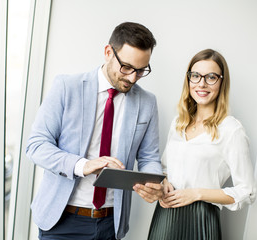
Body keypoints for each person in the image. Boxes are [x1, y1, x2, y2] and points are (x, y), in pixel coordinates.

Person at [26, 22, 163, 240]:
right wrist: (83, 165)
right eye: (127, 67)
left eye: (141, 70)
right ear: (108, 52)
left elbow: (149, 157)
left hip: (110, 223)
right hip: (61, 221)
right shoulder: (66, 87)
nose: (132, 78)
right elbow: (36, 146)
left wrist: (154, 182)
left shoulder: (146, 102)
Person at [135, 49, 256, 239]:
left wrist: (197, 194)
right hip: (165, 215)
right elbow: (166, 169)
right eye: (196, 76)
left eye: (211, 77)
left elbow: (246, 192)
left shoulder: (231, 130)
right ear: (189, 80)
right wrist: (164, 182)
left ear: (222, 82)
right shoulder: (178, 123)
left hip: (201, 219)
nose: (202, 83)